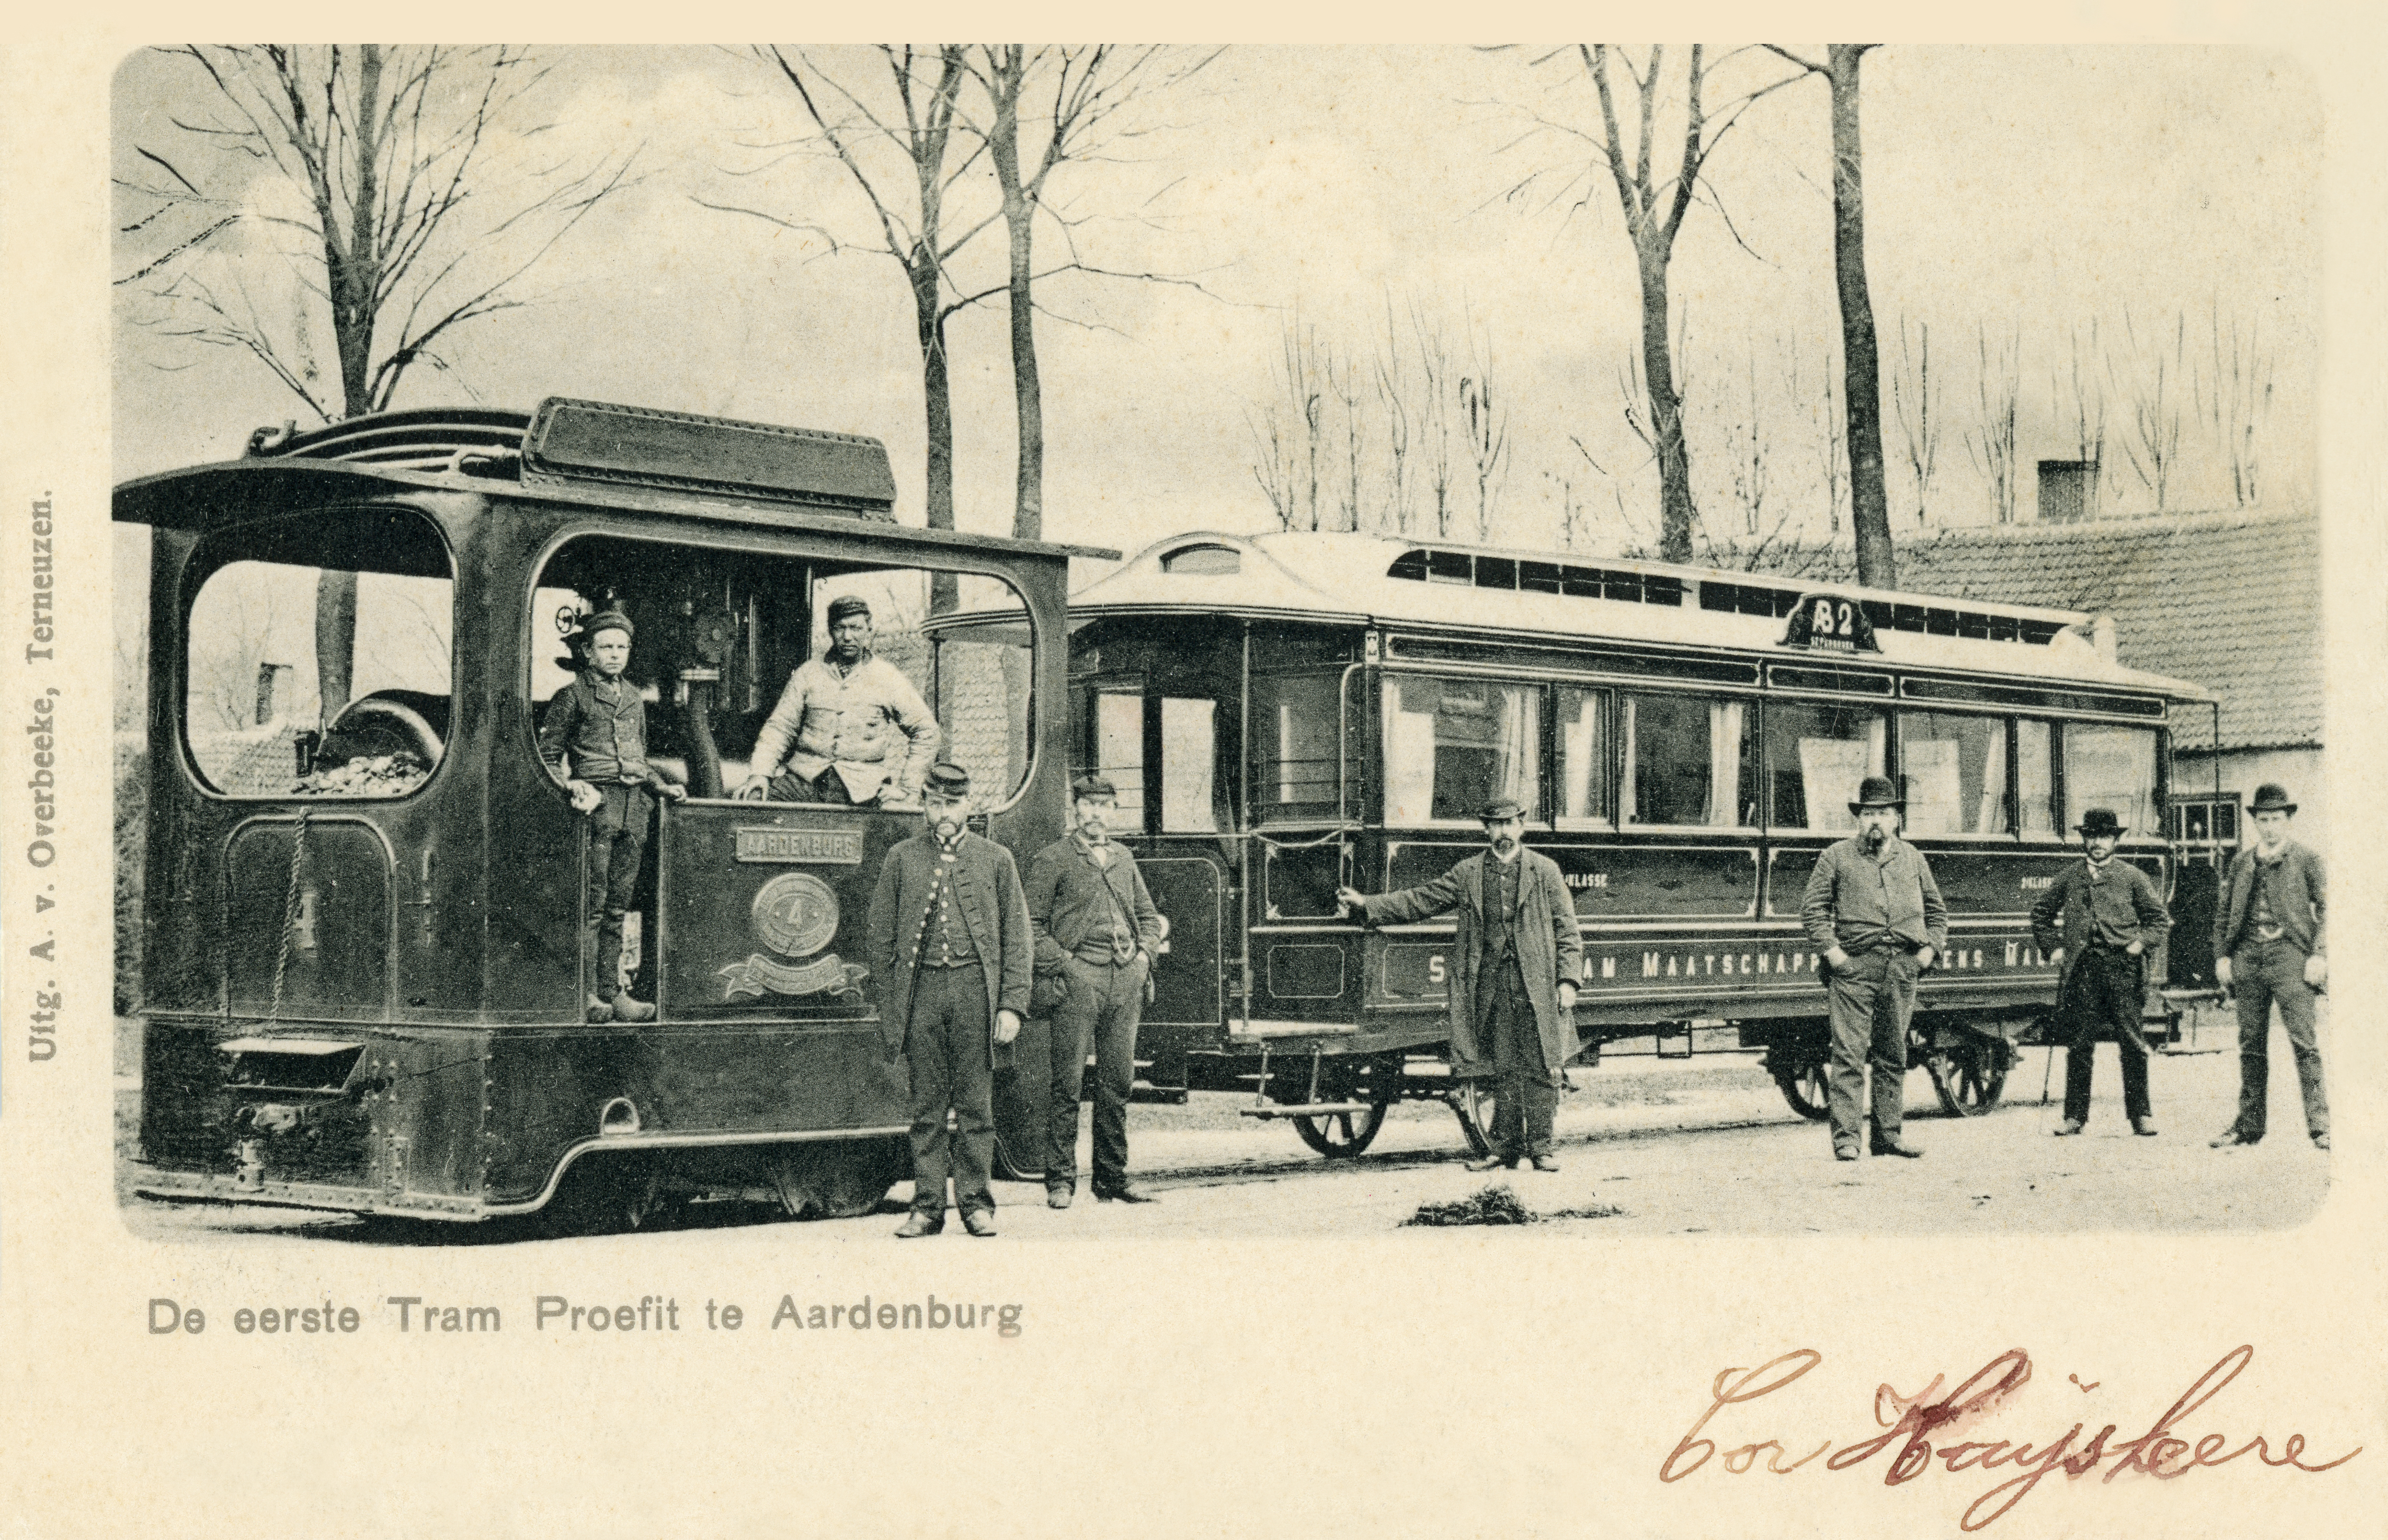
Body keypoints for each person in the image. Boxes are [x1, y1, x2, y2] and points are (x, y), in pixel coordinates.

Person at [1335, 797, 1583, 1173]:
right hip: (1490, 987)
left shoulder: (1545, 871)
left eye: (1510, 824)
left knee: (1541, 1066)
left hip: (1537, 986)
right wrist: (1368, 905)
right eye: (1496, 825)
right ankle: (1503, 1149)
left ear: (1521, 826)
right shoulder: (1468, 872)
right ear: (1487, 829)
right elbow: (1421, 900)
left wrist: (1568, 981)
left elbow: (1568, 930)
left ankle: (1542, 1148)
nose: (1503, 831)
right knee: (1500, 1067)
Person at [867, 762, 1033, 1237]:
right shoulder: (902, 858)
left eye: (953, 803)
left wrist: (1010, 1004)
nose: (944, 812)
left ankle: (976, 1205)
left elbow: (1018, 938)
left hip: (974, 994)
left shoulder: (996, 859)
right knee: (927, 1109)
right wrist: (893, 1002)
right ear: (924, 805)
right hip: (921, 995)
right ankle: (927, 1207)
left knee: (977, 1108)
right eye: (935, 803)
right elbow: (880, 937)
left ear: (968, 805)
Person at [536, 610, 688, 1024]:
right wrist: (571, 785)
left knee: (618, 908)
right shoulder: (572, 696)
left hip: (633, 808)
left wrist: (660, 786)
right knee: (592, 906)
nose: (615, 654)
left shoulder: (634, 697)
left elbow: (638, 758)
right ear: (588, 652)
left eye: (622, 647)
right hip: (597, 808)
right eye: (606, 647)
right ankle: (584, 993)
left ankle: (612, 992)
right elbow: (547, 758)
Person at [1024, 775, 1168, 1208]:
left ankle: (1111, 1178)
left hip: (1125, 980)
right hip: (1077, 980)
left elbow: (1148, 916)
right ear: (1075, 810)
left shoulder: (1123, 857)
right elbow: (1031, 925)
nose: (1095, 814)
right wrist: (1066, 965)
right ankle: (1060, 1181)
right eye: (1088, 805)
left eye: (1104, 806)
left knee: (1117, 1082)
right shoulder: (1053, 858)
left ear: (1114, 811)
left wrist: (1143, 958)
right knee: (1067, 1083)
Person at [1800, 775, 1947, 1162]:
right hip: (1855, 969)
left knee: (1893, 1053)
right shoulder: (1835, 856)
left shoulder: (1913, 858)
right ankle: (1846, 1140)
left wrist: (1927, 953)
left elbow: (1937, 912)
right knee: (1848, 1056)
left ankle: (1888, 1137)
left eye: (1883, 813)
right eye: (1868, 814)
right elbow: (1813, 910)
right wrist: (1835, 956)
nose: (1876, 821)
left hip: (1901, 968)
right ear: (1859, 819)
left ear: (1896, 819)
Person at [2031, 808, 2172, 1137]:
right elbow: (2041, 913)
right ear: (2084, 839)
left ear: (2115, 841)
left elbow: (2158, 921)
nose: (2098, 843)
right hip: (2083, 971)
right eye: (2092, 836)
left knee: (2133, 1042)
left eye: (2105, 836)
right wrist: (2053, 948)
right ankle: (2074, 1117)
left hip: (2123, 969)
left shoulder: (2132, 877)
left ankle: (2141, 1115)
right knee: (2080, 1043)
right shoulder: (2070, 877)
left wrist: (2139, 944)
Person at [2209, 783, 2330, 1152]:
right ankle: (2249, 1126)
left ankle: (2321, 1126)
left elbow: (2330, 909)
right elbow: (2223, 914)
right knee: (2250, 1044)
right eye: (2263, 820)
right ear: (2255, 822)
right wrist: (2222, 957)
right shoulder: (2241, 862)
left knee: (2304, 1043)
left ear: (2288, 820)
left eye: (2277, 819)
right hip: (2247, 957)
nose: (2270, 827)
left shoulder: (2307, 859)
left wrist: (2319, 955)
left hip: (2290, 956)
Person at [737, 595, 941, 807]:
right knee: (754, 802)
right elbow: (780, 728)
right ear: (830, 630)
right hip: (803, 783)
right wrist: (760, 774)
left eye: (856, 628)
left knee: (895, 818)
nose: (847, 637)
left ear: (869, 630)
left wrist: (908, 789)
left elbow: (927, 732)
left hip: (864, 790)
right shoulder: (808, 674)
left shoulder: (888, 678)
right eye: (840, 628)